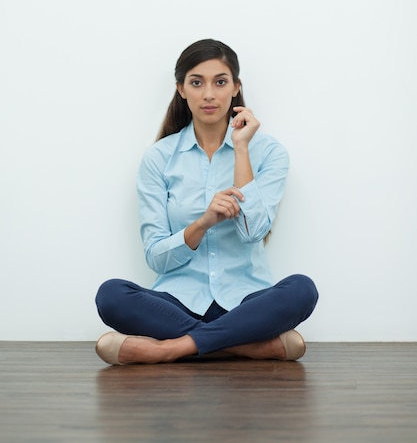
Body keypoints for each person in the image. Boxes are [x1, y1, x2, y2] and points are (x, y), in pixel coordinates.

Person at [95, 38, 318, 365]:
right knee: (111, 295)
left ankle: (171, 349)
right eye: (197, 83)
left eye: (220, 82)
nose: (209, 94)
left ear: (236, 87)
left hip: (246, 301)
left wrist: (241, 147)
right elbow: (156, 258)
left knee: (302, 290)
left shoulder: (268, 153)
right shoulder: (159, 158)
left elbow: (253, 232)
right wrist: (202, 223)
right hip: (177, 301)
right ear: (181, 90)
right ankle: (245, 346)